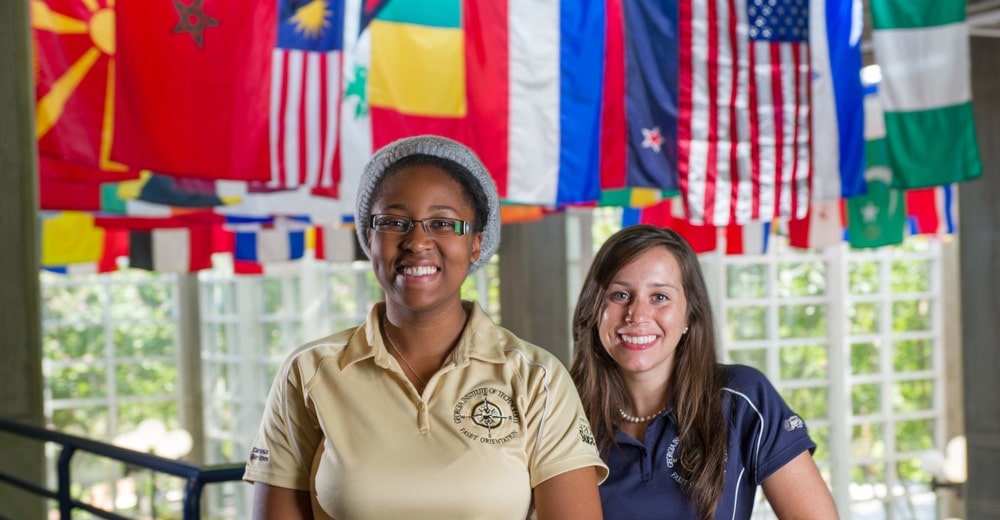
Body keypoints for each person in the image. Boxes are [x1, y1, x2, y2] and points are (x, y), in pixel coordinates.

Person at [243, 135, 607, 519]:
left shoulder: (538, 378)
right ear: (369, 238)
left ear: (476, 244)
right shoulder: (309, 371)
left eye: (443, 223)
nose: (417, 241)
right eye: (394, 222)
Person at [569, 225, 838, 520]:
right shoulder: (563, 414)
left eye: (659, 297)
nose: (637, 315)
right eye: (620, 295)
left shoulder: (742, 399)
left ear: (689, 315)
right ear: (594, 309)